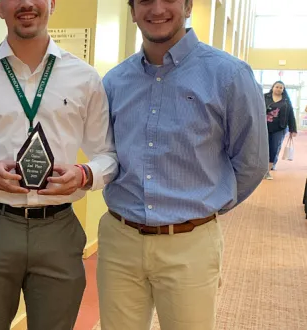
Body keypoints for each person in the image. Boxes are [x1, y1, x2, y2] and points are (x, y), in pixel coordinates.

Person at [98, 1, 268, 329]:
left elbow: (252, 162)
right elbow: (105, 153)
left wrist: (204, 207)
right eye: (145, 0)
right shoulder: (115, 81)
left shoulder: (229, 75)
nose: (157, 8)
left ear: (188, 5)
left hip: (190, 243)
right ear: (132, 10)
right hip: (120, 240)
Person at [0, 0, 118, 329]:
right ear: (0, 7)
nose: (26, 3)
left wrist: (85, 175)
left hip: (59, 229)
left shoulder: (84, 78)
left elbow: (108, 155)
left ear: (52, 3)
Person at [265, 81, 297, 177]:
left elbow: (291, 115)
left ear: (283, 90)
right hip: (264, 127)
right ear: (273, 87)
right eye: (277, 87)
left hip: (280, 128)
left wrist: (293, 129)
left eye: (281, 88)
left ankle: (268, 170)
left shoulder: (286, 100)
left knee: (274, 148)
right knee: (264, 148)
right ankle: (263, 167)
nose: (278, 89)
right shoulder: (264, 97)